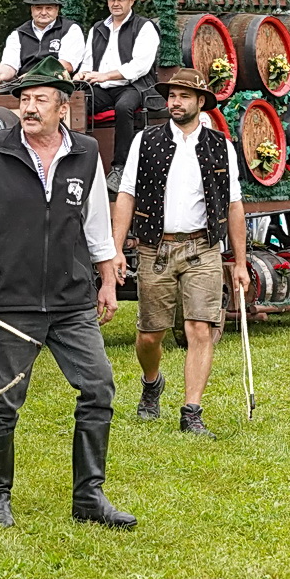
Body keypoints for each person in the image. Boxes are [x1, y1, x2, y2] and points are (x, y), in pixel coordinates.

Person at [0, 54, 133, 530]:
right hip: (12, 299)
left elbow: (95, 224)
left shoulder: (87, 153)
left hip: (73, 301)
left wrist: (108, 279)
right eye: (25, 100)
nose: (29, 109)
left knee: (99, 388)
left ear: (62, 108)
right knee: (3, 401)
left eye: (40, 101)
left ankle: (89, 498)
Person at [109, 66, 247, 435]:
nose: (175, 102)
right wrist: (117, 249)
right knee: (149, 335)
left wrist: (241, 262)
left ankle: (192, 412)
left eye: (184, 96)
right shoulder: (146, 140)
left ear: (201, 102)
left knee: (199, 328)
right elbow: (126, 195)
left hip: (203, 248)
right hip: (156, 248)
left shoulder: (222, 146)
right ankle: (152, 382)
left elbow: (234, 205)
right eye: (171, 96)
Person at [79, 0, 160, 186]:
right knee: (75, 102)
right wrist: (81, 76)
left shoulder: (144, 27)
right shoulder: (97, 28)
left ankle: (120, 168)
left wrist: (106, 76)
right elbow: (88, 63)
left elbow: (140, 67)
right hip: (103, 88)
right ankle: (77, 160)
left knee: (124, 107)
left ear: (132, 1)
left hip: (135, 86)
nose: (115, 3)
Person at [0, 0, 86, 85]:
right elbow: (9, 65)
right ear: (32, 9)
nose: (43, 12)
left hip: (58, 86)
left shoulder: (71, 29)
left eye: (49, 8)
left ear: (57, 9)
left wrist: (33, 75)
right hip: (22, 87)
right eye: (39, 8)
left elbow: (66, 65)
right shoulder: (18, 34)